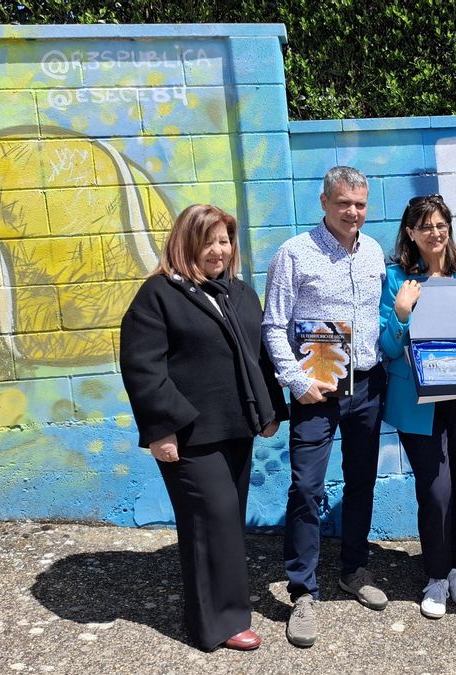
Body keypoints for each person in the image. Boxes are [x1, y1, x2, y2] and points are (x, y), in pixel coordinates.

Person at [119, 204, 287, 652]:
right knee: (211, 522)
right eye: (208, 241)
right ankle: (217, 624)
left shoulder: (239, 293)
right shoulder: (158, 294)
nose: (218, 250)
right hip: (189, 434)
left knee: (225, 522)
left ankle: (218, 610)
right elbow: (142, 367)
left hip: (236, 428)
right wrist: (161, 429)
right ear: (186, 243)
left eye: (224, 241)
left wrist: (269, 411)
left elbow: (258, 356)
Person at [262, 166, 387, 648]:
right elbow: (274, 326)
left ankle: (353, 569)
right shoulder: (295, 253)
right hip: (316, 390)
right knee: (306, 487)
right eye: (343, 203)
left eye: (360, 204)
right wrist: (296, 382)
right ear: (324, 202)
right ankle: (302, 591)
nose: (353, 212)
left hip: (366, 386)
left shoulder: (373, 251)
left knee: (362, 480)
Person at [379, 194, 456, 619]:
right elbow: (389, 347)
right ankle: (436, 576)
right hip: (417, 402)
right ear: (410, 232)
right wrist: (401, 312)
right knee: (435, 491)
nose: (435, 233)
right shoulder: (396, 277)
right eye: (425, 226)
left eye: (441, 224)